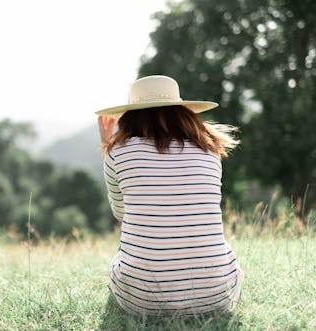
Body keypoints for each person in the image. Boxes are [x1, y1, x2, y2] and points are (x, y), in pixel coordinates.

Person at [96, 75, 243, 316]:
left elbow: (121, 213)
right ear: (182, 111)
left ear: (131, 116)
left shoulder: (118, 154)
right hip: (216, 295)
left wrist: (107, 148)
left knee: (120, 259)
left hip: (139, 300)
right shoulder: (209, 152)